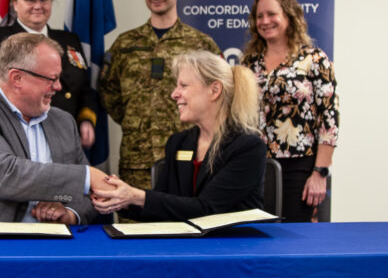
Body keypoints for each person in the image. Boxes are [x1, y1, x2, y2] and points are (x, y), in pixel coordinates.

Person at [0, 33, 112, 224]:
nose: (58, 87)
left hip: (55, 239)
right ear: (17, 78)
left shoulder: (63, 121)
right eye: (52, 79)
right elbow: (5, 176)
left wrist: (68, 212)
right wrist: (87, 177)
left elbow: (89, 194)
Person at [91, 51, 266, 221]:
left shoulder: (248, 146)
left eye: (183, 86)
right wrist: (121, 199)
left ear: (214, 90)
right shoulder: (179, 142)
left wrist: (135, 196)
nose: (174, 94)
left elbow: (206, 210)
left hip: (233, 241)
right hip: (184, 240)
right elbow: (163, 206)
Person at [98, 0, 221, 189]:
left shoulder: (201, 44)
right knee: (134, 211)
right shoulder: (125, 44)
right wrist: (136, 120)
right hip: (137, 158)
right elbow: (109, 93)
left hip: (187, 154)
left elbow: (217, 95)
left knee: (184, 211)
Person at [0, 0, 98, 148]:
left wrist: (86, 120)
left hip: (66, 138)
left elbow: (84, 89)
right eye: (30, 0)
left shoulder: (69, 40)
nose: (38, 6)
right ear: (15, 4)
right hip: (20, 139)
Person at [241, 0, 339, 223]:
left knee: (293, 234)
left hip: (299, 166)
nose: (265, 21)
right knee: (255, 233)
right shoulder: (249, 63)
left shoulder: (314, 59)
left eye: (271, 14)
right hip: (254, 164)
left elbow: (329, 120)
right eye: (259, 16)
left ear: (289, 15)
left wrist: (320, 173)